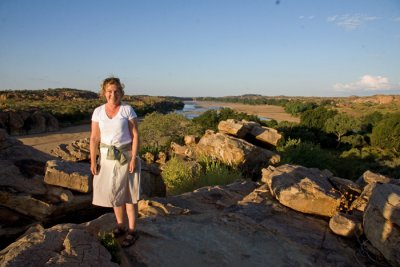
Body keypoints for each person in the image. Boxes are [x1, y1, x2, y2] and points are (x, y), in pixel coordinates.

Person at [90, 76, 141, 247]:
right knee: (114, 194)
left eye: (116, 91)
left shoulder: (127, 110)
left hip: (126, 157)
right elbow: (94, 138)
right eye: (110, 91)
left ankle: (132, 231)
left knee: (128, 195)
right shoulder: (98, 112)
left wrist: (134, 158)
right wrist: (92, 161)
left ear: (121, 92)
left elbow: (135, 136)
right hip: (106, 158)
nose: (113, 94)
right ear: (104, 93)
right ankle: (121, 226)